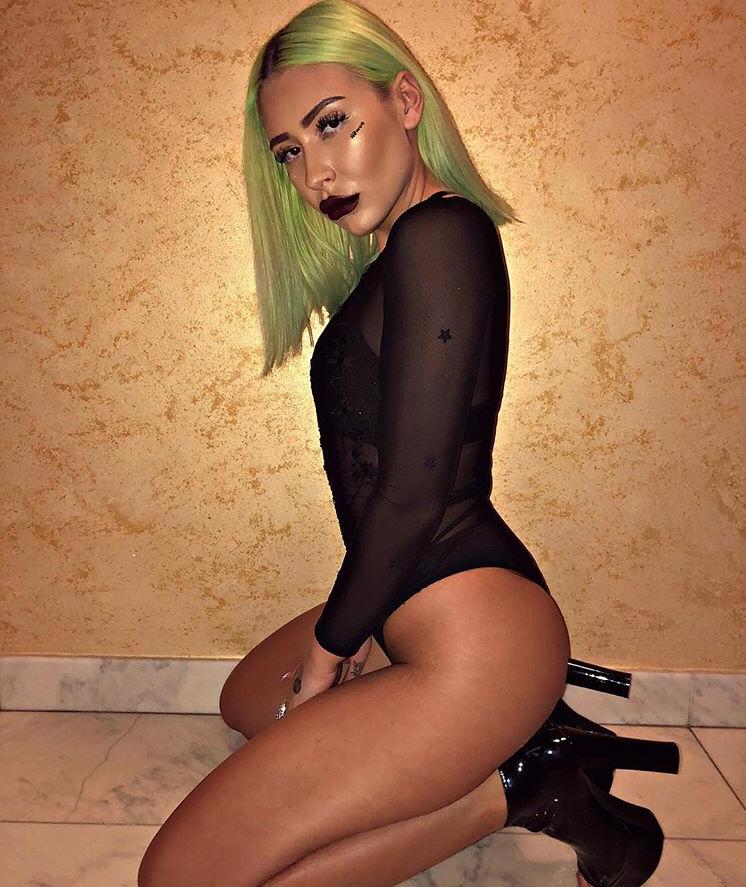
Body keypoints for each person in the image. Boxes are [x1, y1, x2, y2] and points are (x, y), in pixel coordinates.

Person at [138, 2, 680, 886]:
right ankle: (518, 737)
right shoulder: (398, 255)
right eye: (289, 152)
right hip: (415, 599)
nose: (316, 171)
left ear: (405, 102)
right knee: (247, 701)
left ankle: (525, 782)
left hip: (478, 633)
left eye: (332, 124)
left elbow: (413, 492)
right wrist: (357, 622)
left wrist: (332, 649)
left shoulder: (443, 234)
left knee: (179, 877)